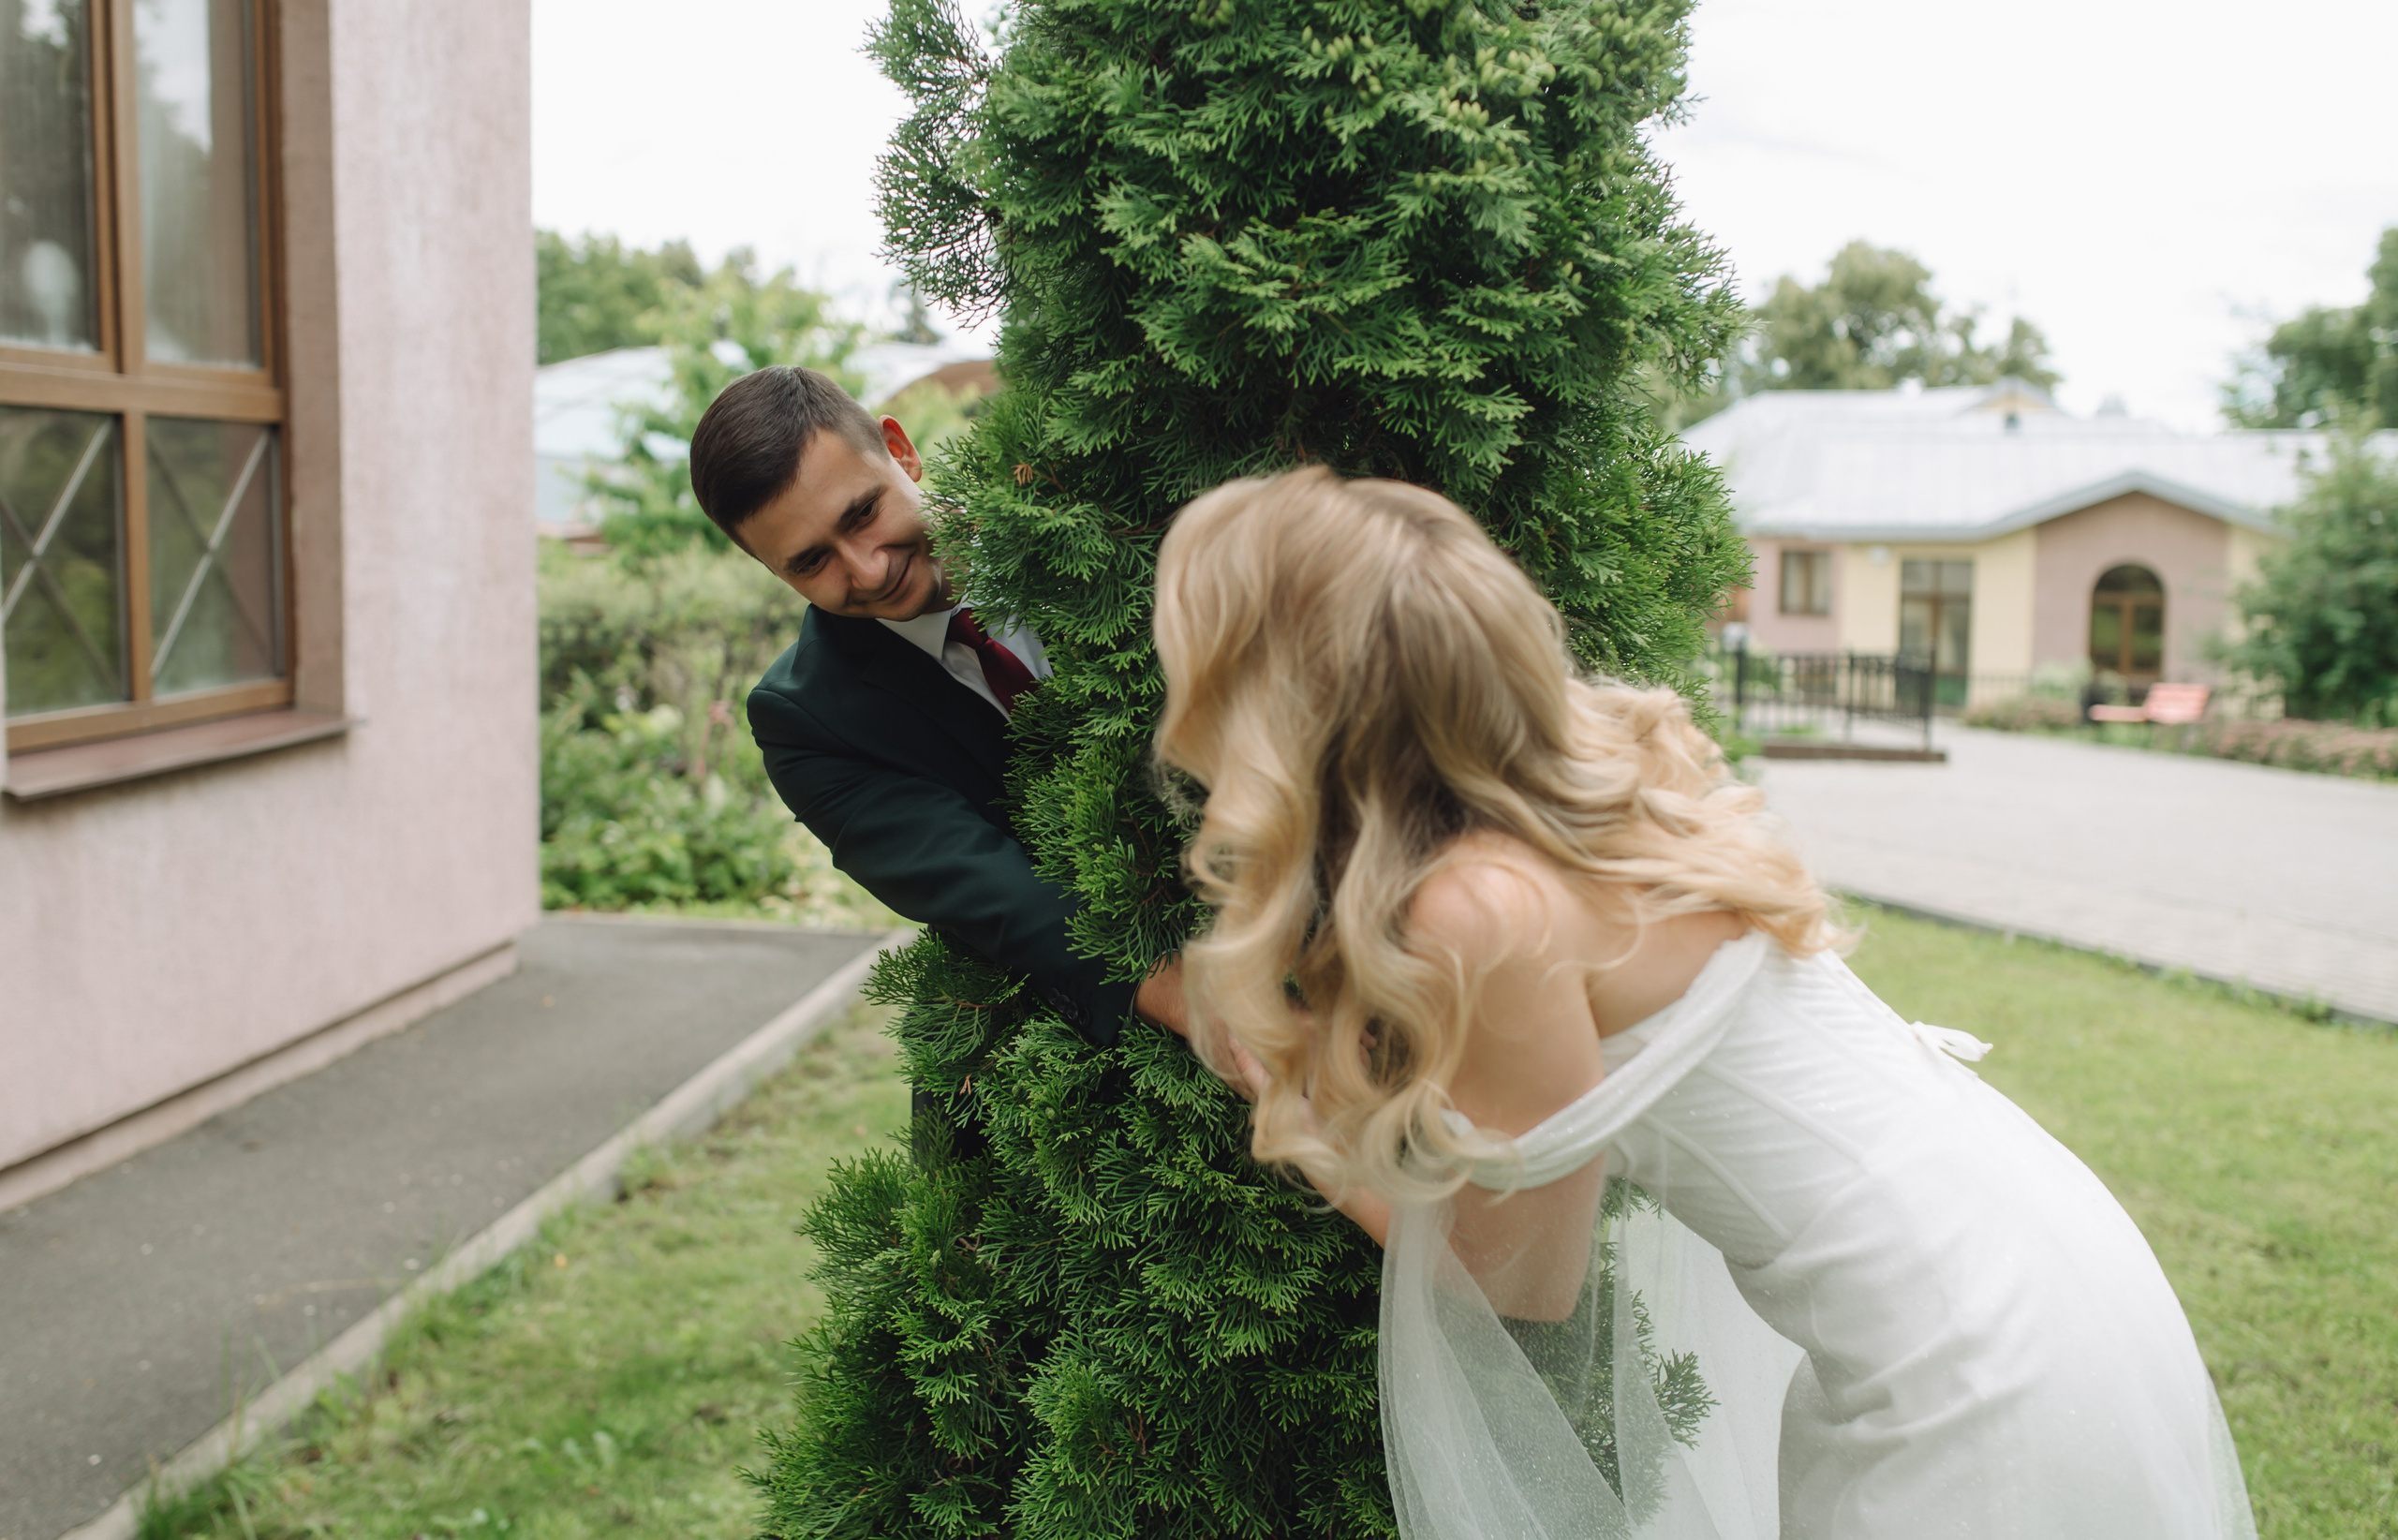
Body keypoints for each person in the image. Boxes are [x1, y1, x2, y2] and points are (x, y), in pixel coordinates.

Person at [1148, 466, 2257, 1539]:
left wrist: (1282, 1084)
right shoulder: (1596, 783)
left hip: (1967, 1364)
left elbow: (1518, 1285)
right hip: (2038, 1255)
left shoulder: (1478, 910)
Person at [686, 366, 1184, 1060]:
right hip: (1056, 1064)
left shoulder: (1084, 498)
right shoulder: (802, 722)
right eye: (810, 562)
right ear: (776, 573)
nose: (866, 571)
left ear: (901, 450)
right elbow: (1002, 898)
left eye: (861, 513)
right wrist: (1202, 1005)